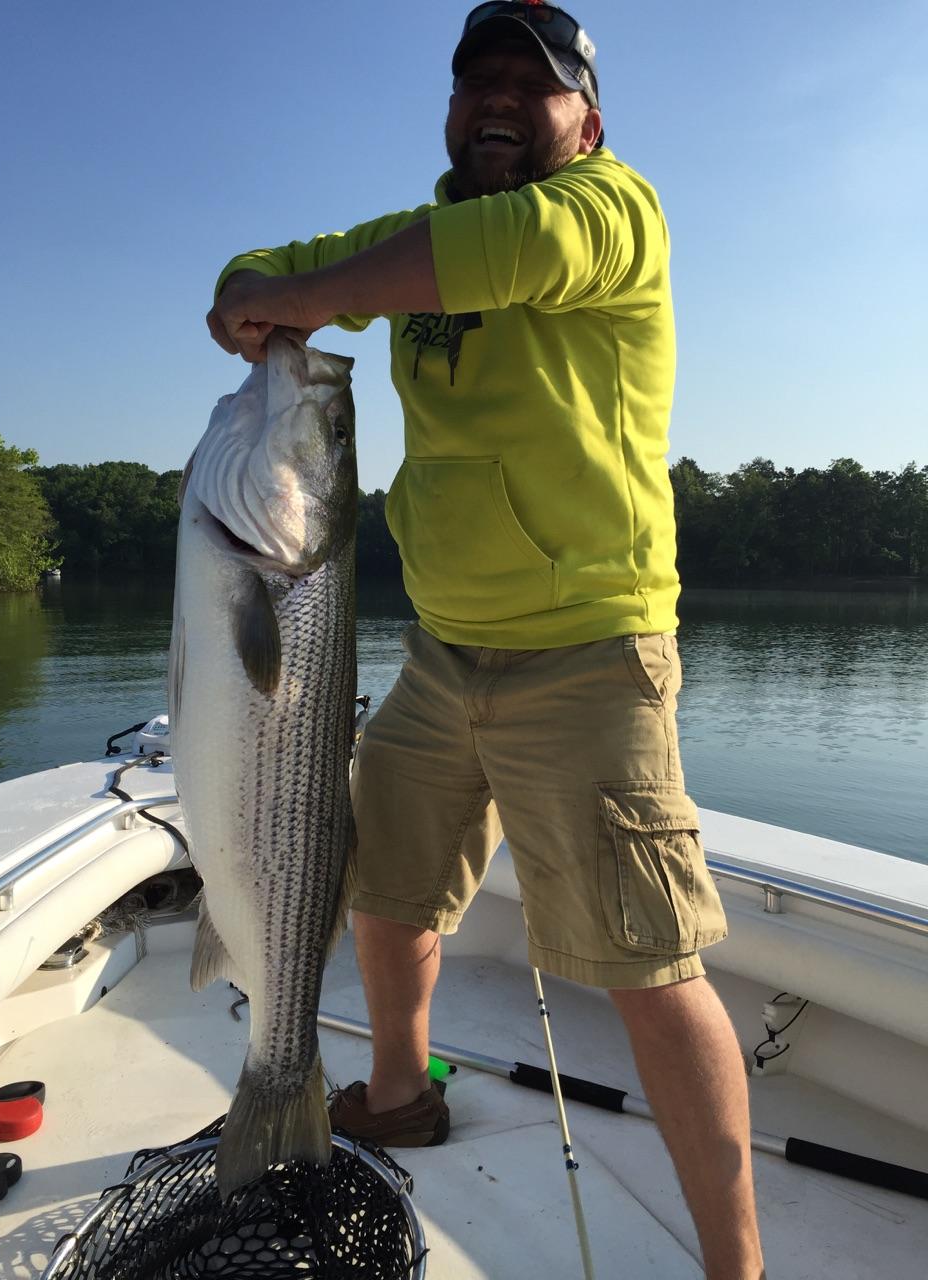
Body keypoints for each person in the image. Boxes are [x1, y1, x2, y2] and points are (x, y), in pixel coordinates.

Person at [207, 4, 766, 1276]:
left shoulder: (612, 212)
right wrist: (254, 296)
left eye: (537, 82)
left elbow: (489, 257)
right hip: (443, 649)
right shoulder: (413, 239)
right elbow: (266, 269)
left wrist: (298, 298)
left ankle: (738, 1264)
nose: (501, 100)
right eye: (478, 83)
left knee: (646, 958)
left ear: (591, 119)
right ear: (449, 114)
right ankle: (396, 1093)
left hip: (591, 653)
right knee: (386, 881)